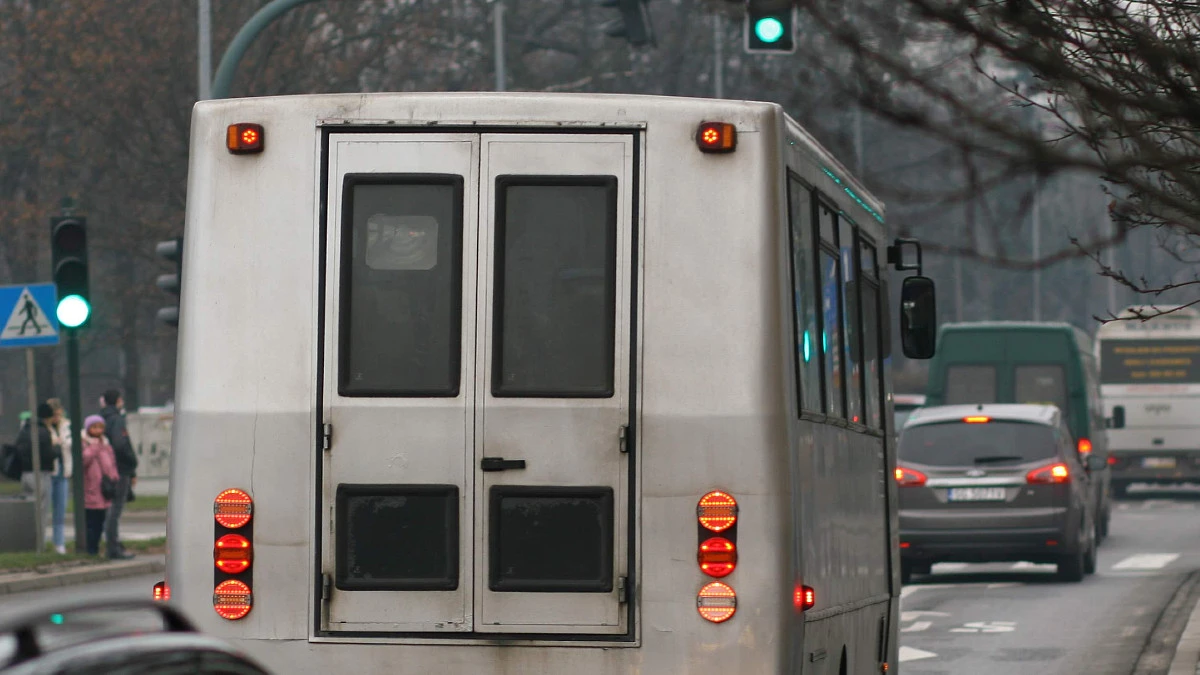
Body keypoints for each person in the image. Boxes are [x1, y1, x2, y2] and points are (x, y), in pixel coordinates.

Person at [99, 389, 137, 559]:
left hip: (104, 469)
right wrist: (132, 464)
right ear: (119, 401)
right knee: (116, 509)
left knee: (109, 508)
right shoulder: (117, 420)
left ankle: (112, 543)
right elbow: (121, 444)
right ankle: (113, 548)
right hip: (120, 469)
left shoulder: (101, 419)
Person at [15, 403, 61, 537]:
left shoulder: (25, 429)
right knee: (41, 511)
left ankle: (28, 541)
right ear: (47, 417)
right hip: (40, 474)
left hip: (25, 474)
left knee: (29, 511)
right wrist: (57, 448)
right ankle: (39, 542)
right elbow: (48, 454)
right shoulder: (43, 431)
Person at [80, 415, 119, 556]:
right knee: (91, 522)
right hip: (91, 488)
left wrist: (114, 476)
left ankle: (95, 547)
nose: (98, 430)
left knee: (101, 521)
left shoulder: (106, 444)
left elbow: (111, 462)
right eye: (94, 427)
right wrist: (94, 447)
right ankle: (91, 549)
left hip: (104, 488)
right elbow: (83, 460)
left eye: (100, 427)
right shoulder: (85, 443)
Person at [46, 398, 72, 555]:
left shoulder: (67, 426)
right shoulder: (44, 427)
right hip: (49, 471)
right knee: (44, 509)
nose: (56, 418)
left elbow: (70, 443)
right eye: (53, 414)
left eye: (58, 414)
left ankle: (59, 543)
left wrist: (61, 442)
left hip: (63, 470)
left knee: (60, 509)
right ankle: (41, 542)